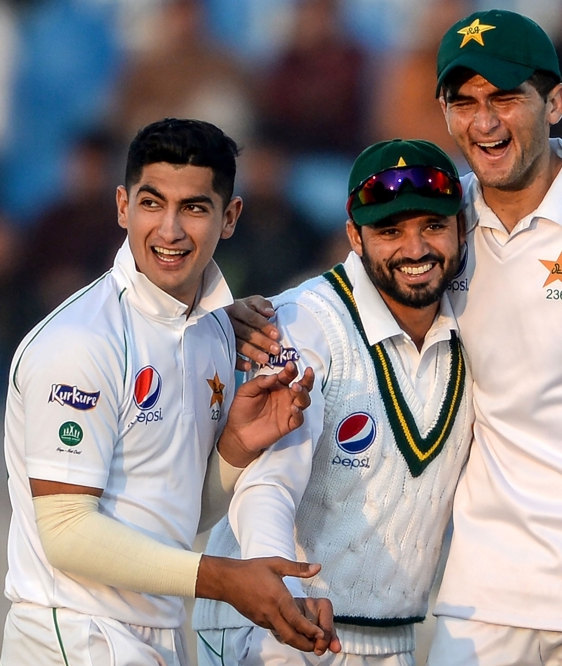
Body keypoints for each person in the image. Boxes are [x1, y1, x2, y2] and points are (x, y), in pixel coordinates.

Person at [228, 11, 562, 664]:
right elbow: (338, 295)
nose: (485, 122)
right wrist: (239, 315)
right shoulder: (446, 208)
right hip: (478, 600)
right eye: (464, 102)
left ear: (555, 101)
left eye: (504, 99)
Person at [0, 118, 336, 665]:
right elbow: (66, 532)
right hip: (71, 634)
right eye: (152, 203)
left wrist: (236, 449)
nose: (170, 230)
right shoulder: (80, 342)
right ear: (122, 207)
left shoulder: (215, 332)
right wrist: (223, 579)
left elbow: (175, 517)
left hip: (156, 632)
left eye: (196, 208)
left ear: (230, 217)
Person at [193, 138, 473, 666]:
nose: (415, 249)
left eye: (432, 226)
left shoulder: (471, 324)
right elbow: (268, 481)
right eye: (390, 231)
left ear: (461, 228)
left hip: (392, 638)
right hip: (277, 629)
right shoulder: (302, 324)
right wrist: (281, 589)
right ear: (354, 236)